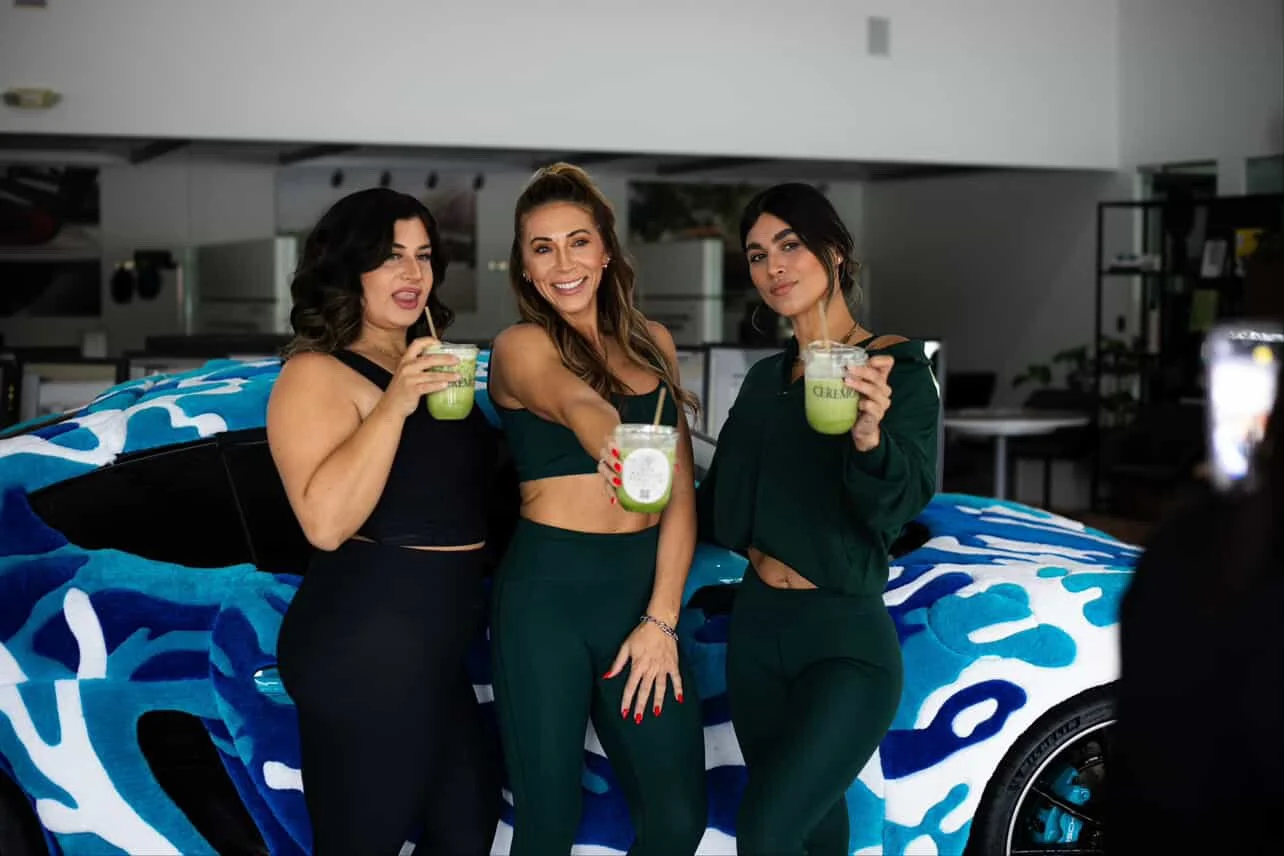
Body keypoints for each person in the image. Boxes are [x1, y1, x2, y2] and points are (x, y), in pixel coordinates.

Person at [696, 183, 939, 856]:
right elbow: (721, 509)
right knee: (814, 831)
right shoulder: (765, 381)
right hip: (756, 633)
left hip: (843, 638)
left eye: (790, 245)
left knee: (767, 831)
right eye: (756, 254)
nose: (774, 266)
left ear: (833, 252)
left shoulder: (895, 365)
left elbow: (904, 498)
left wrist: (868, 437)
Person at [267, 188, 500, 855]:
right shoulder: (317, 373)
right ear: (349, 268)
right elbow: (325, 522)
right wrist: (396, 404)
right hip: (366, 643)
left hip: (433, 648)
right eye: (391, 256)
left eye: (424, 256)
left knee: (465, 832)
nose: (413, 274)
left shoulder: (427, 359)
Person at [487, 163, 707, 856]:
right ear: (523, 267)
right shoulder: (519, 346)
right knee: (549, 825)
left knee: (678, 820)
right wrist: (612, 439)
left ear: (606, 250)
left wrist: (661, 619)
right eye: (542, 247)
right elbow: (572, 400)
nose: (563, 263)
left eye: (578, 241)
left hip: (638, 599)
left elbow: (678, 498)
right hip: (546, 599)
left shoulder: (655, 344)